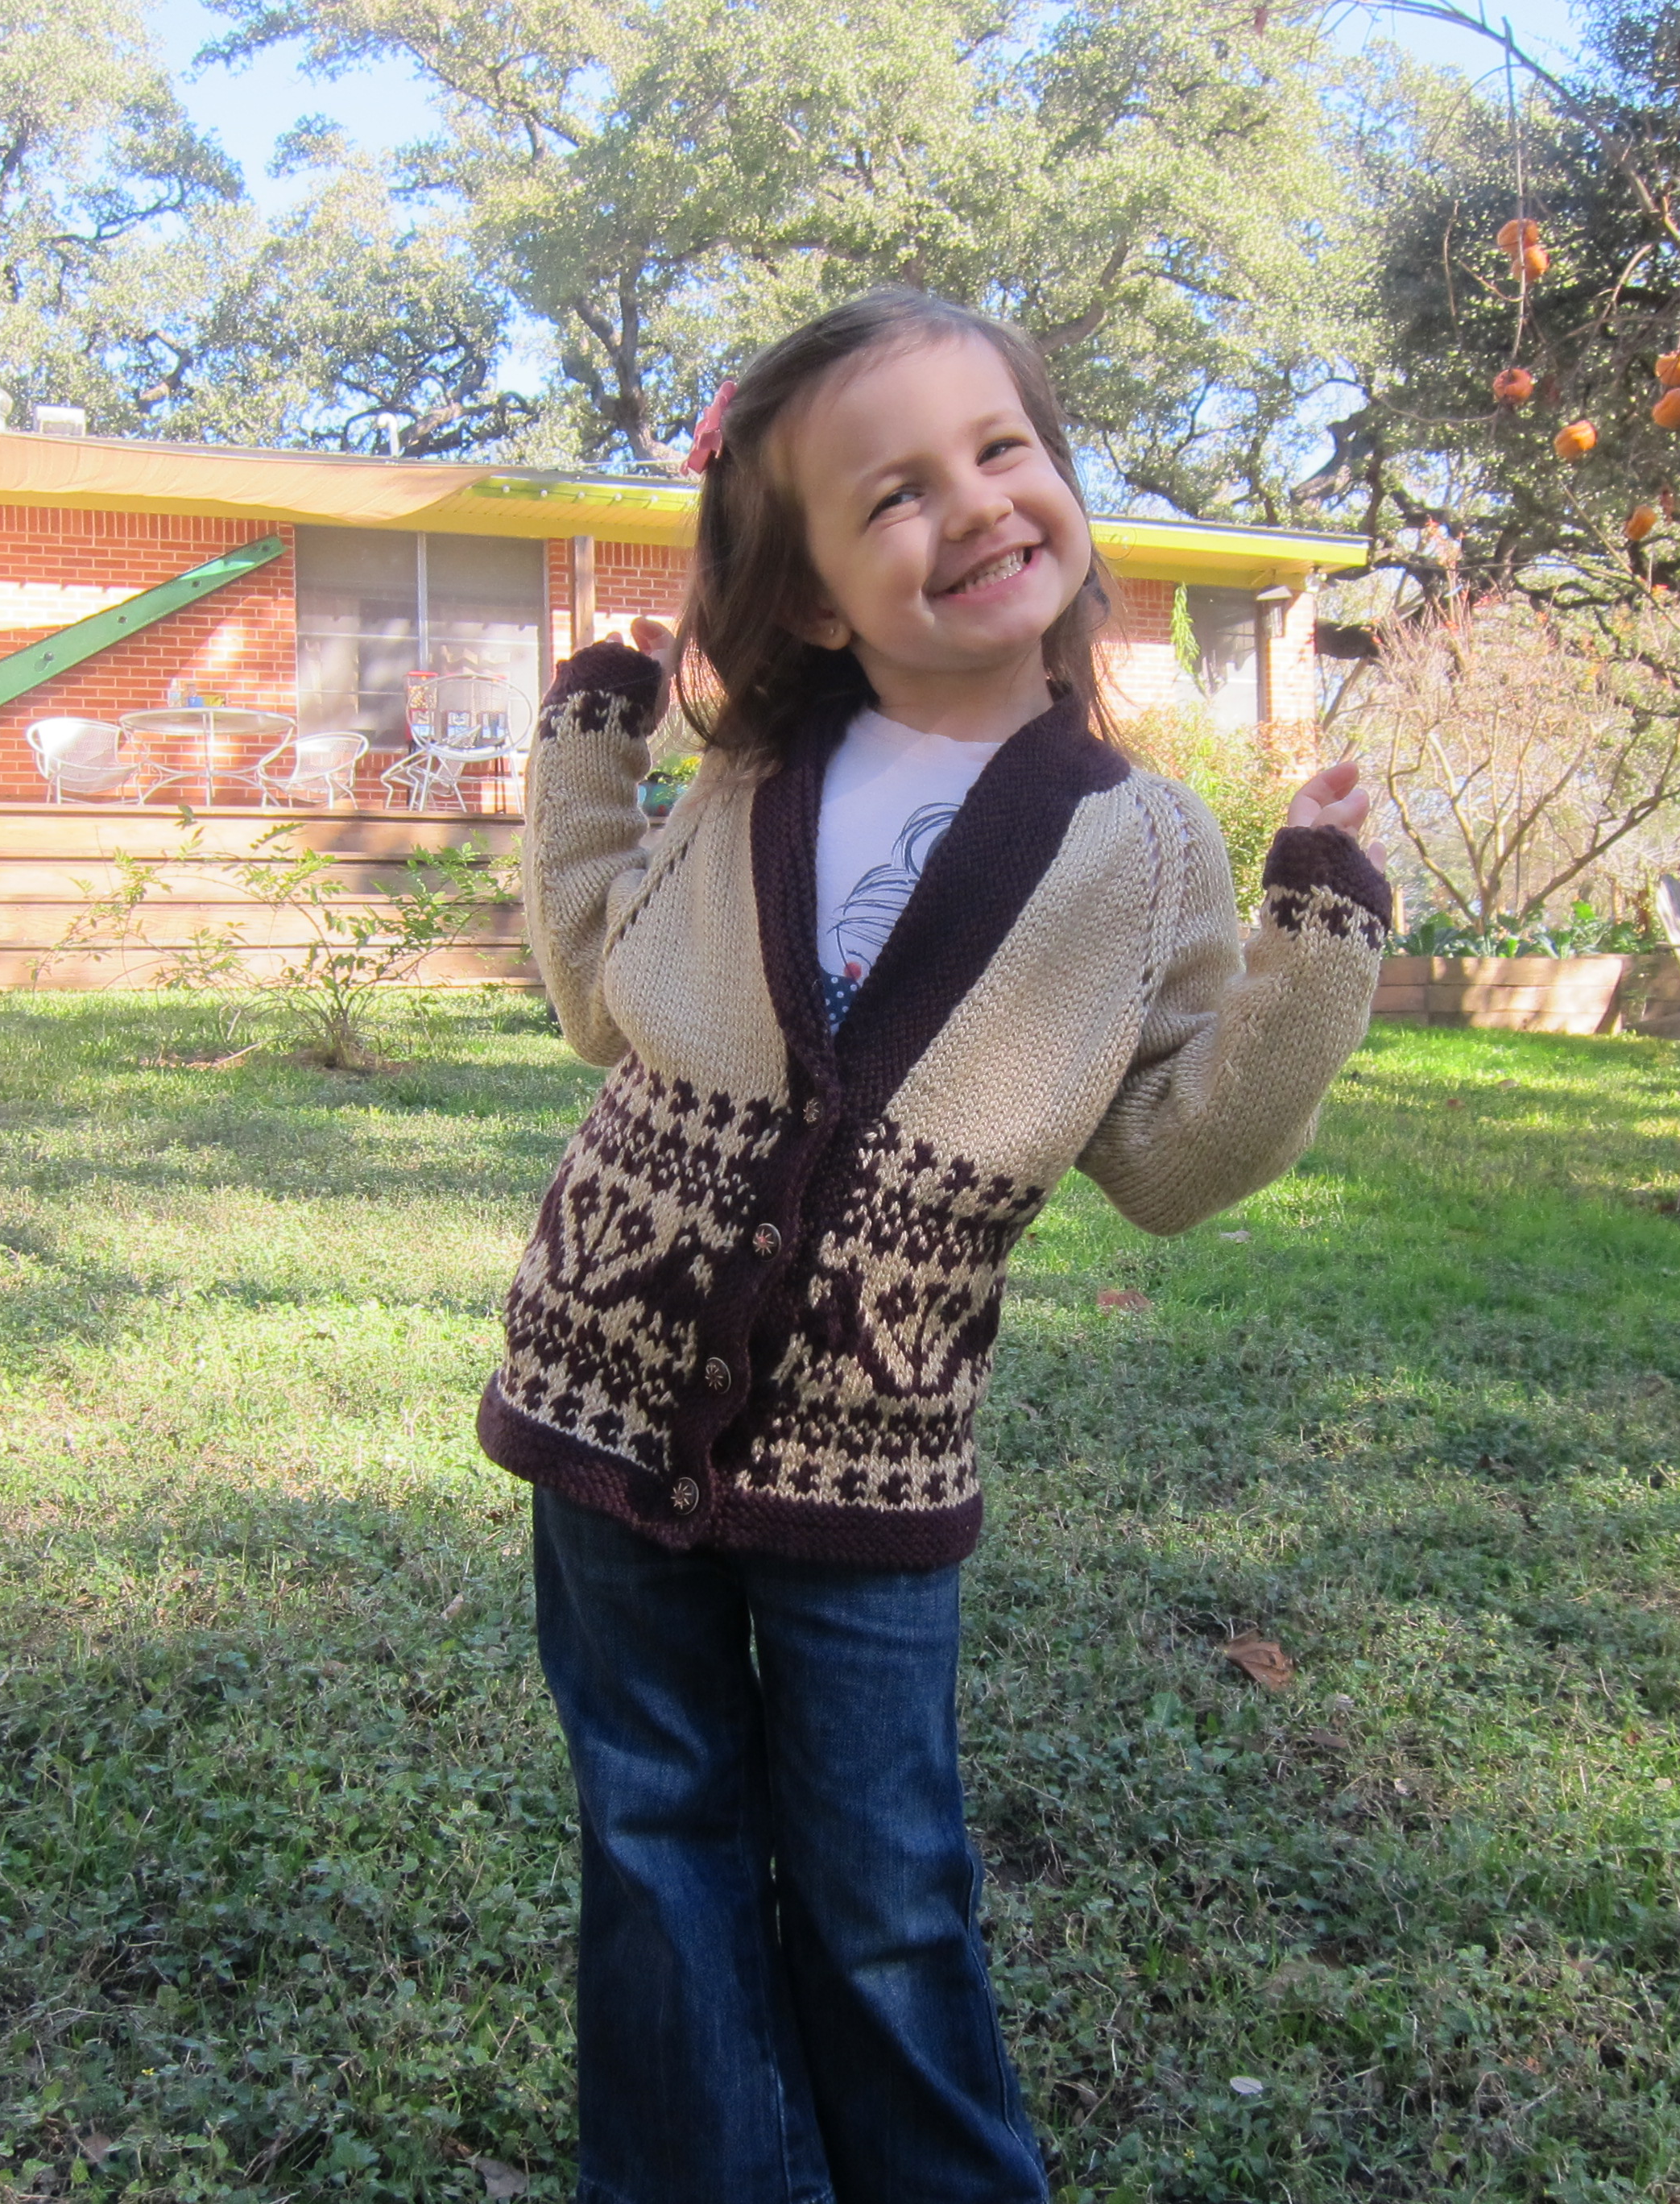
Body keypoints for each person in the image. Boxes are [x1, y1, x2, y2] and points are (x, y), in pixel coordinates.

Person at [475, 289, 1392, 2204]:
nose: (970, 505)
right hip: (602, 1382)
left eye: (998, 450)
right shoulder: (749, 782)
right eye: (891, 494)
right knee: (653, 1831)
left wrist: (1315, 941)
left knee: (886, 1891)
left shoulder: (1140, 846)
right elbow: (593, 992)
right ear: (815, 600)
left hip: (871, 1457)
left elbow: (1177, 1156)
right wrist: (592, 745)